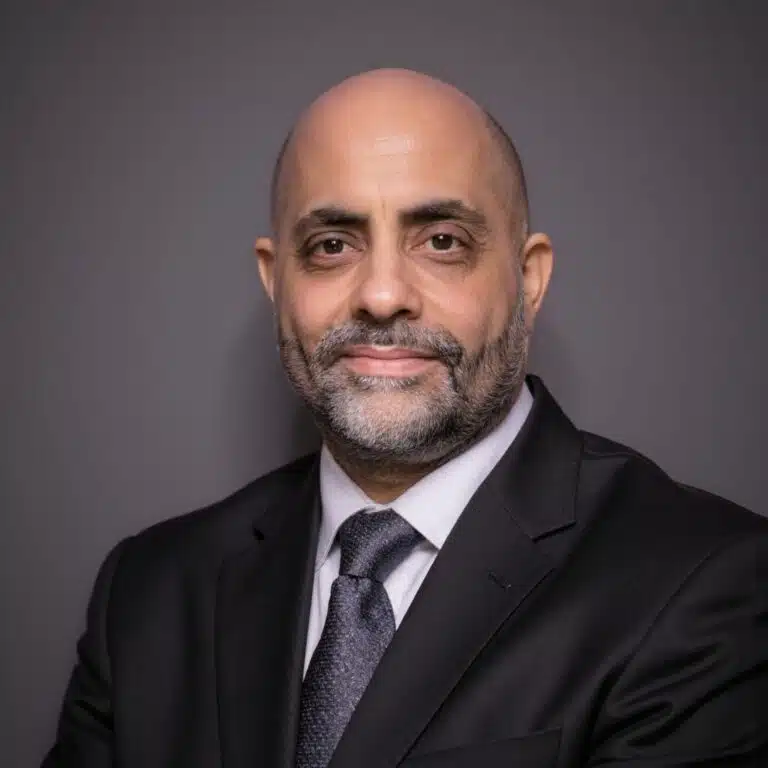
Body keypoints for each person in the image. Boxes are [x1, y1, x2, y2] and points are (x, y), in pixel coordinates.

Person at [44, 68, 767, 768]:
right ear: (275, 280)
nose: (383, 295)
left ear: (529, 280)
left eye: (442, 241)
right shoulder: (149, 591)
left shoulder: (705, 584)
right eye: (332, 245)